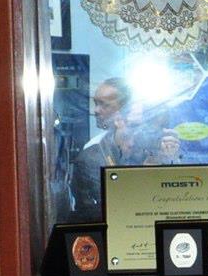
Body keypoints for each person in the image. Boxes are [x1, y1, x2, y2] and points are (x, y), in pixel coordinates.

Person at [64, 76, 151, 217]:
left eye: (104, 105)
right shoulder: (93, 155)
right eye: (96, 103)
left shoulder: (149, 148)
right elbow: (98, 210)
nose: (96, 111)